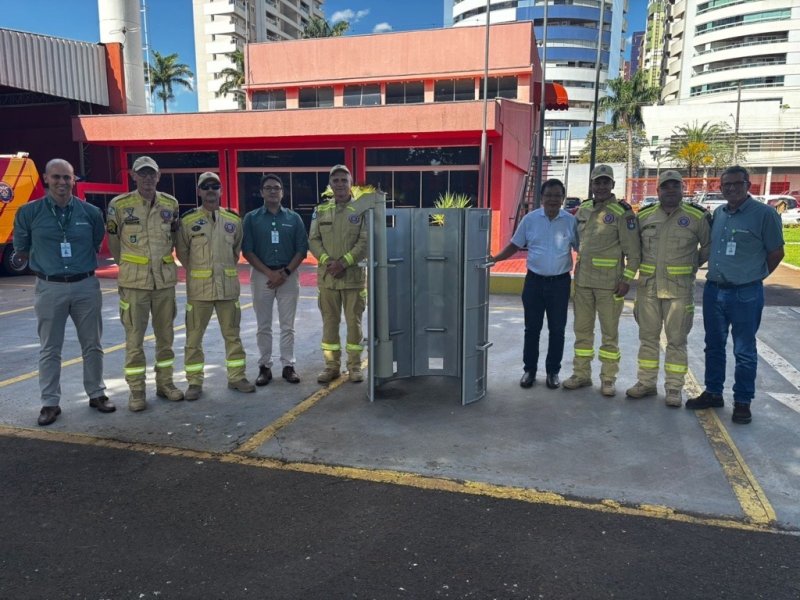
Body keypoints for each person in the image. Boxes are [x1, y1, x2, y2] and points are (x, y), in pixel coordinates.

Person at [13, 158, 115, 426]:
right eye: (56, 177)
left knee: (92, 344)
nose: (62, 182)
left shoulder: (90, 213)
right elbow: (22, 247)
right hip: (50, 287)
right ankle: (49, 403)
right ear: (46, 179)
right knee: (50, 348)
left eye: (67, 177)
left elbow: (95, 242)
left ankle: (97, 393)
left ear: (74, 180)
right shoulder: (28, 212)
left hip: (85, 285)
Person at [686, 165, 784, 424]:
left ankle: (742, 401)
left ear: (747, 185)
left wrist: (754, 277)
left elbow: (776, 253)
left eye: (736, 184)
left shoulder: (764, 215)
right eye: (726, 184)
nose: (731, 188)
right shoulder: (719, 213)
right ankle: (713, 392)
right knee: (714, 346)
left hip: (745, 294)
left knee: (744, 350)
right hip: (714, 291)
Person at [626, 171, 711, 407]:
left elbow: (709, 246)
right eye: (666, 186)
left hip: (679, 290)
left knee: (677, 340)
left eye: (675, 186)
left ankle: (674, 388)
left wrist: (693, 265)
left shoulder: (697, 217)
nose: (670, 190)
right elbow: (635, 248)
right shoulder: (644, 216)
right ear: (658, 190)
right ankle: (646, 383)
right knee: (648, 339)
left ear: (682, 189)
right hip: (649, 289)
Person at [107, 156, 183, 411]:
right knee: (134, 340)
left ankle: (165, 384)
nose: (148, 178)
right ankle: (137, 391)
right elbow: (115, 244)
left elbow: (173, 237)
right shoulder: (119, 205)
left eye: (152, 174)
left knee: (166, 337)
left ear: (158, 176)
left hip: (163, 283)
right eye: (143, 174)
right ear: (133, 175)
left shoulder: (170, 204)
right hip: (134, 284)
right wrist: (130, 266)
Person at [175, 172, 255, 400]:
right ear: (199, 191)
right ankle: (194, 382)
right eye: (205, 186)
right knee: (193, 338)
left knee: (233, 336)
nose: (211, 190)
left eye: (215, 186)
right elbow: (183, 253)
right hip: (199, 291)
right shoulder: (188, 221)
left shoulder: (233, 220)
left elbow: (236, 251)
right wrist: (200, 273)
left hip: (228, 289)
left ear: (221, 191)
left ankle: (237, 377)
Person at [492, 178, 578, 389]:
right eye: (548, 195)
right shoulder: (530, 220)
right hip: (534, 282)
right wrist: (495, 259)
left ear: (562, 198)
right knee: (532, 329)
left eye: (557, 196)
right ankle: (529, 370)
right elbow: (515, 245)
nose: (552, 200)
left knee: (557, 330)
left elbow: (581, 247)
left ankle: (553, 372)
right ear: (541, 197)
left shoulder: (570, 221)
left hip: (560, 284)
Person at [564, 164, 641, 396]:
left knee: (609, 335)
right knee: (582, 331)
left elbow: (634, 253)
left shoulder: (622, 213)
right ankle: (581, 374)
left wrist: (626, 279)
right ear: (592, 184)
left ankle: (608, 379)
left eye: (605, 182)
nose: (601, 186)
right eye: (597, 182)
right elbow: (576, 241)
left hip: (610, 285)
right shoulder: (584, 209)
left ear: (613, 185)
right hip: (584, 282)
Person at [242, 173, 308, 386]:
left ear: (282, 192)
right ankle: (264, 367)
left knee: (288, 325)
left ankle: (288, 365)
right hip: (262, 276)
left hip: (288, 276)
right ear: (261, 192)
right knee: (263, 325)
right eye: (268, 187)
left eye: (276, 188)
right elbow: (248, 250)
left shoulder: (293, 218)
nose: (272, 191)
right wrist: (269, 273)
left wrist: (286, 273)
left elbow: (301, 249)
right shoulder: (251, 218)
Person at [308, 164, 368, 384]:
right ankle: (331, 366)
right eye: (336, 181)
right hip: (328, 279)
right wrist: (327, 262)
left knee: (354, 324)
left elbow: (365, 241)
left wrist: (343, 263)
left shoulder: (361, 210)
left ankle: (354, 367)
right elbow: (313, 240)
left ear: (351, 183)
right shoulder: (321, 210)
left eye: (344, 180)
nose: (340, 184)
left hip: (353, 278)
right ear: (330, 185)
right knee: (329, 323)